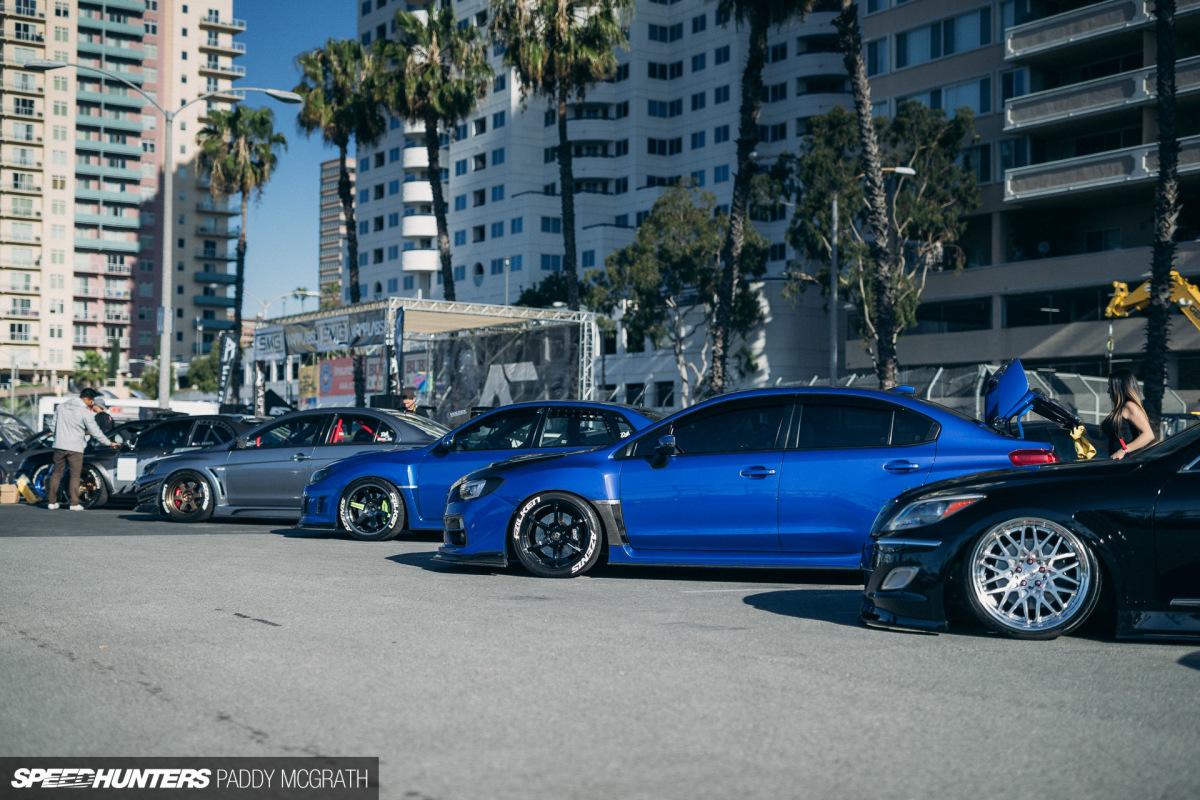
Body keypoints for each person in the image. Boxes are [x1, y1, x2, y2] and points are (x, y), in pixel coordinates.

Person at [46, 388, 117, 510]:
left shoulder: (61, 407)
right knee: (74, 475)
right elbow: (95, 431)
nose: (91, 404)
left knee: (56, 474)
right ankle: (74, 504)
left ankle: (51, 502)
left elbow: (53, 426)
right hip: (76, 447)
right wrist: (108, 443)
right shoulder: (84, 412)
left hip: (59, 446)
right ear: (86, 399)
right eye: (91, 401)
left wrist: (58, 438)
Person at [1102, 369, 1156, 459]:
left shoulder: (1130, 406)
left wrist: (1123, 450)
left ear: (1121, 387)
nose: (1108, 391)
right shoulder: (1119, 409)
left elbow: (1149, 435)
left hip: (1128, 461)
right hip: (1118, 461)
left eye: (1110, 387)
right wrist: (1088, 439)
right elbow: (1113, 445)